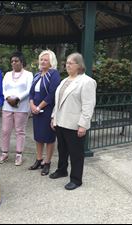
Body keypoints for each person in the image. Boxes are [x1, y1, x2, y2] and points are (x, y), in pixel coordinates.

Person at [50, 52, 97, 190]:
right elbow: (57, 102)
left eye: (71, 63)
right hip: (60, 122)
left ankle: (76, 179)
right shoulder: (64, 81)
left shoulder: (87, 82)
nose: (67, 65)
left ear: (79, 65)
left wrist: (83, 125)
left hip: (74, 124)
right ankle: (62, 170)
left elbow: (88, 106)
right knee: (62, 149)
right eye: (67, 63)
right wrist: (54, 117)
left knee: (76, 153)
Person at [0, 52, 33, 166]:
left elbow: (28, 90)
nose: (13, 63)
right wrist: (8, 98)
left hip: (21, 106)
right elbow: (3, 88)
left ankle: (19, 154)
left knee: (20, 131)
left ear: (22, 62)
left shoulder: (28, 74)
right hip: (7, 106)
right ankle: (4, 153)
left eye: (16, 61)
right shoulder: (7, 74)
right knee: (5, 130)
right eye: (12, 61)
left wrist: (17, 99)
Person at [29, 50, 61, 176]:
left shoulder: (54, 74)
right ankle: (39, 159)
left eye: (46, 60)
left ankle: (47, 162)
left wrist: (39, 106)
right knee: (38, 137)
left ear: (51, 62)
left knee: (49, 137)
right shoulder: (37, 74)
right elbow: (31, 92)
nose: (42, 62)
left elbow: (52, 93)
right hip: (36, 110)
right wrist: (32, 105)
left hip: (47, 110)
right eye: (41, 59)